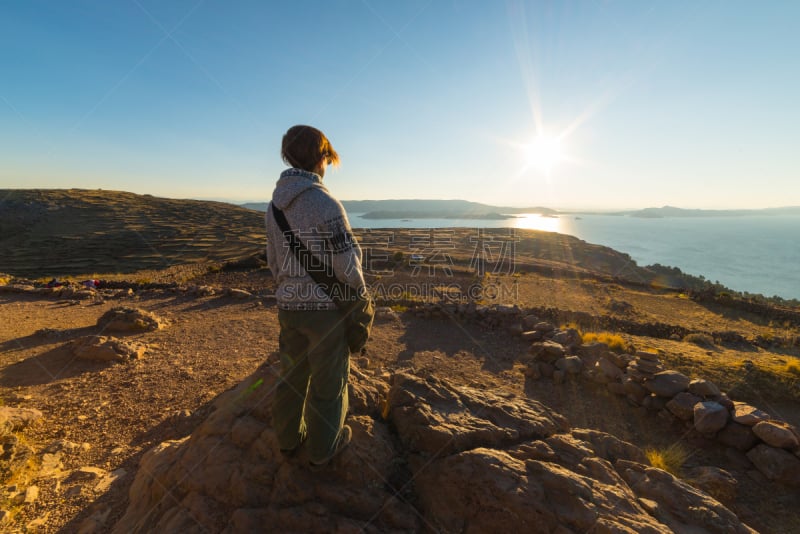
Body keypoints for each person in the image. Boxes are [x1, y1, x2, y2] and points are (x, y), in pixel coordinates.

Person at [265, 125, 368, 468]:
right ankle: (325, 448)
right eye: (326, 157)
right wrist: (359, 296)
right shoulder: (326, 202)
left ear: (287, 156)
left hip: (288, 306)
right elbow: (346, 265)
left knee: (292, 376)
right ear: (321, 157)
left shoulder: (274, 206)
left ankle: (288, 440)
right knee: (329, 381)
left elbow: (273, 261)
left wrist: (290, 288)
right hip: (325, 311)